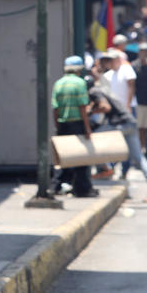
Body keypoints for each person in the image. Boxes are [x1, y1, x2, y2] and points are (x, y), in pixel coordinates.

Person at [88, 88, 147, 202]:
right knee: (139, 158)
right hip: (130, 123)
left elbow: (106, 107)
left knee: (93, 136)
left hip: (120, 124)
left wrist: (91, 111)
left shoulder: (94, 92)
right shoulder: (106, 93)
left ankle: (104, 168)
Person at [52, 56, 95, 197]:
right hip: (77, 123)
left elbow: (55, 108)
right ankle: (82, 188)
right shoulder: (80, 83)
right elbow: (83, 106)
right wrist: (87, 128)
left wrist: (58, 126)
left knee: (62, 156)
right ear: (79, 69)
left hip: (63, 123)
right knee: (82, 157)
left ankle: (56, 186)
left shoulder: (58, 83)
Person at [131, 42, 147, 158]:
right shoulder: (133, 66)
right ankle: (136, 153)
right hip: (137, 102)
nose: (145, 54)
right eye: (143, 51)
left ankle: (142, 151)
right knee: (137, 128)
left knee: (145, 129)